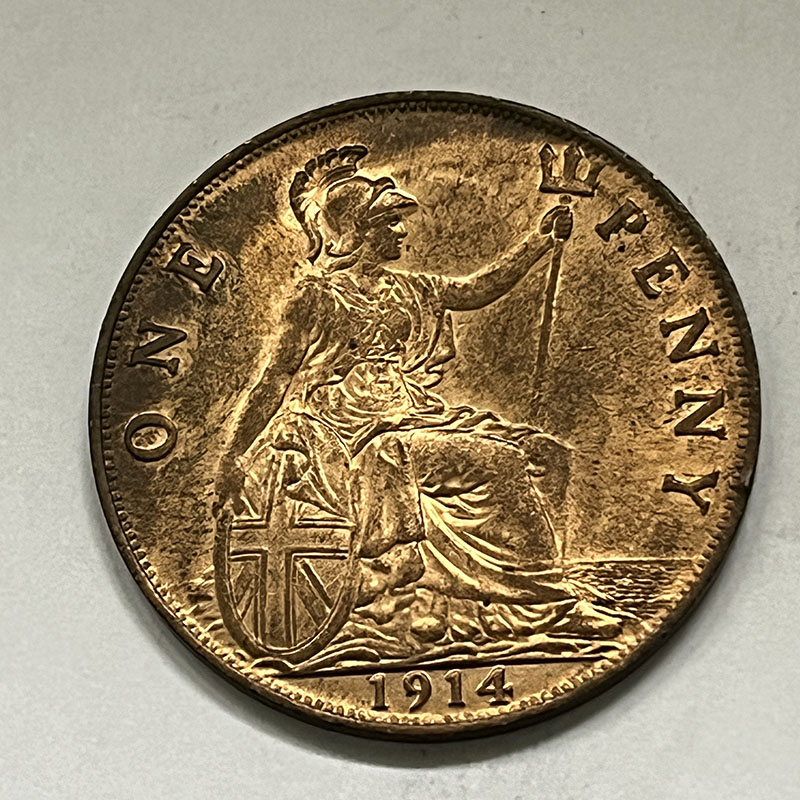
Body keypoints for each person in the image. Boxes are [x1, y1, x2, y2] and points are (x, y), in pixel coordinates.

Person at [215, 145, 623, 664]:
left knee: (544, 454)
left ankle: (489, 602)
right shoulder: (316, 297)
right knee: (498, 461)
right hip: (351, 430)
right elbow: (275, 378)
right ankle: (549, 605)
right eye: (389, 222)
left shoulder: (408, 289)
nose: (402, 231)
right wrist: (233, 454)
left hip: (412, 410)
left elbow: (476, 290)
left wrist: (539, 242)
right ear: (355, 231)